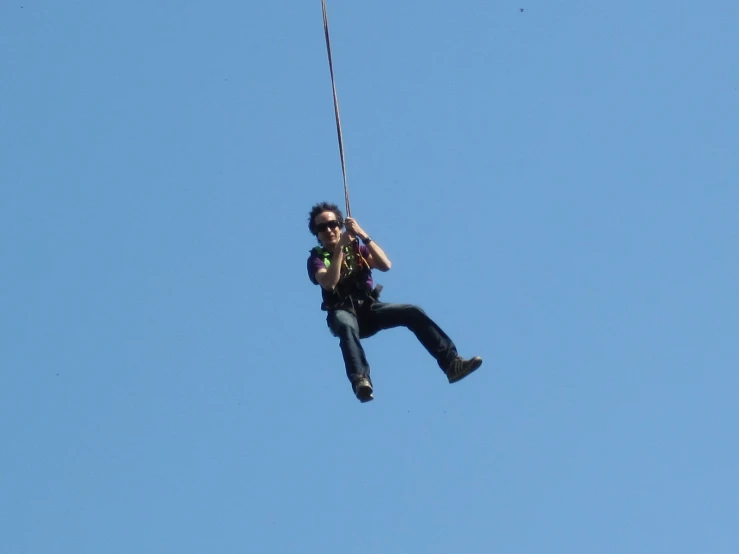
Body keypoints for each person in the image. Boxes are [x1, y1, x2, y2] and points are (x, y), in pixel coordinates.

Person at [306, 201, 483, 403]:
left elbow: (385, 265)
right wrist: (339, 249)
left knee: (412, 311)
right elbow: (329, 283)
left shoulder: (357, 249)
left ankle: (451, 364)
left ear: (340, 225)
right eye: (322, 228)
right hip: (343, 311)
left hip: (369, 309)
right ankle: (361, 380)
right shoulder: (317, 259)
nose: (329, 230)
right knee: (346, 326)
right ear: (317, 234)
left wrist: (362, 235)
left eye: (333, 224)